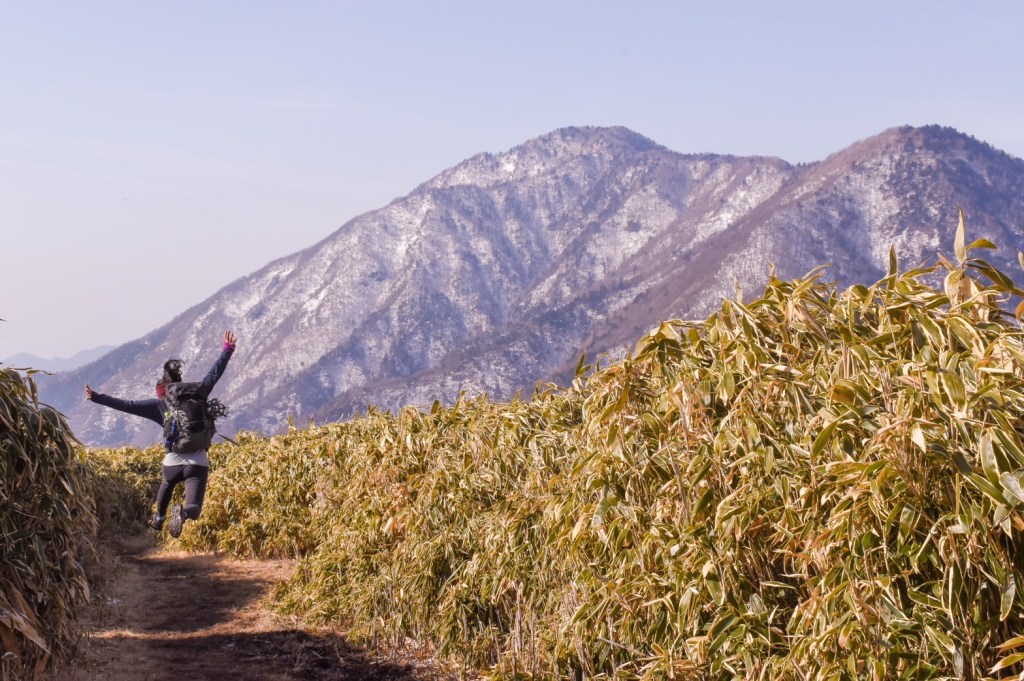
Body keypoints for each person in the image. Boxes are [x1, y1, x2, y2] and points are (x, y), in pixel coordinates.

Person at [86, 330, 237, 538]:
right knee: (194, 507)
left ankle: (159, 518)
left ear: (162, 393)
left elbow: (127, 405)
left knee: (167, 482)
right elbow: (214, 375)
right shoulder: (198, 393)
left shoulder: (158, 405)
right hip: (198, 461)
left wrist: (96, 397)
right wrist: (227, 350)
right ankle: (183, 513)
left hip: (172, 460)